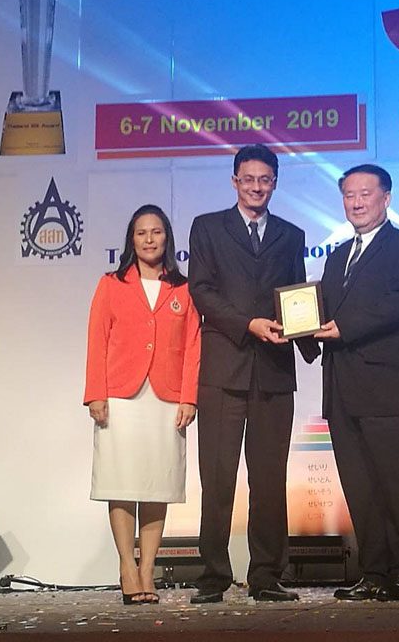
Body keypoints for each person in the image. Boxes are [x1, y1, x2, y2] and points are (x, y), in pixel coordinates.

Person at [187, 144, 319, 603]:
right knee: (217, 478)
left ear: (275, 183)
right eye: (248, 179)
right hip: (224, 369)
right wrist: (248, 324)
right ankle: (213, 576)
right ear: (234, 181)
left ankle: (266, 575)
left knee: (268, 481)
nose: (256, 187)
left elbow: (297, 296)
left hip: (274, 373)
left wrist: (312, 336)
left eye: (264, 179)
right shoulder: (207, 228)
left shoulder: (291, 234)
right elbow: (202, 291)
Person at [315, 164, 399, 602]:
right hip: (344, 392)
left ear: (386, 198)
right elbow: (321, 313)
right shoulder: (336, 257)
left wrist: (345, 327)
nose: (357, 202)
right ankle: (374, 571)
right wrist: (298, 330)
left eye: (365, 194)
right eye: (349, 195)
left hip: (393, 390)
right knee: (361, 488)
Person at [84, 204, 200, 605]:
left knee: (156, 484)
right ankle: (126, 567)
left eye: (156, 232)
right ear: (131, 240)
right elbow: (97, 339)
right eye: (141, 233)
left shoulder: (183, 289)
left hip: (167, 399)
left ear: (167, 237)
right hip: (120, 397)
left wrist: (189, 397)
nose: (149, 239)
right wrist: (95, 393)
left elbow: (193, 346)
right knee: (121, 483)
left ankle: (148, 569)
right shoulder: (111, 284)